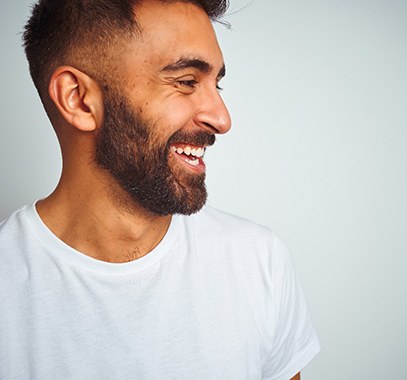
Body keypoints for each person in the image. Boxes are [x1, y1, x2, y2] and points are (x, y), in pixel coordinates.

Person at [0, 0, 320, 379]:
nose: (222, 118)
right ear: (79, 99)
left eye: (216, 84)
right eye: (186, 82)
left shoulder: (259, 262)